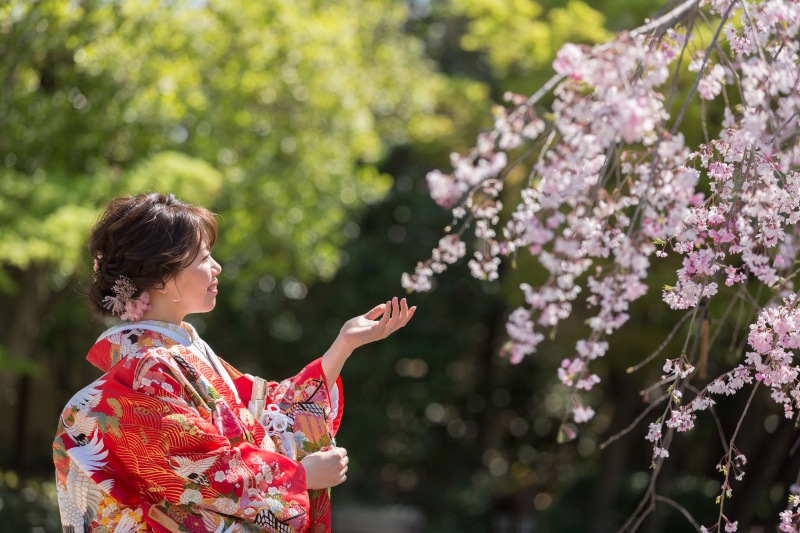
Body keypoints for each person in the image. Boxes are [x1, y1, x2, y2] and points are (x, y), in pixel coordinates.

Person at [53, 193, 416, 533]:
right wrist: (297, 476)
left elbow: (262, 409)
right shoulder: (148, 368)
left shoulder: (176, 355)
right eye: (203, 257)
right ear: (162, 277)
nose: (217, 267)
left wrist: (343, 346)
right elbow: (200, 474)